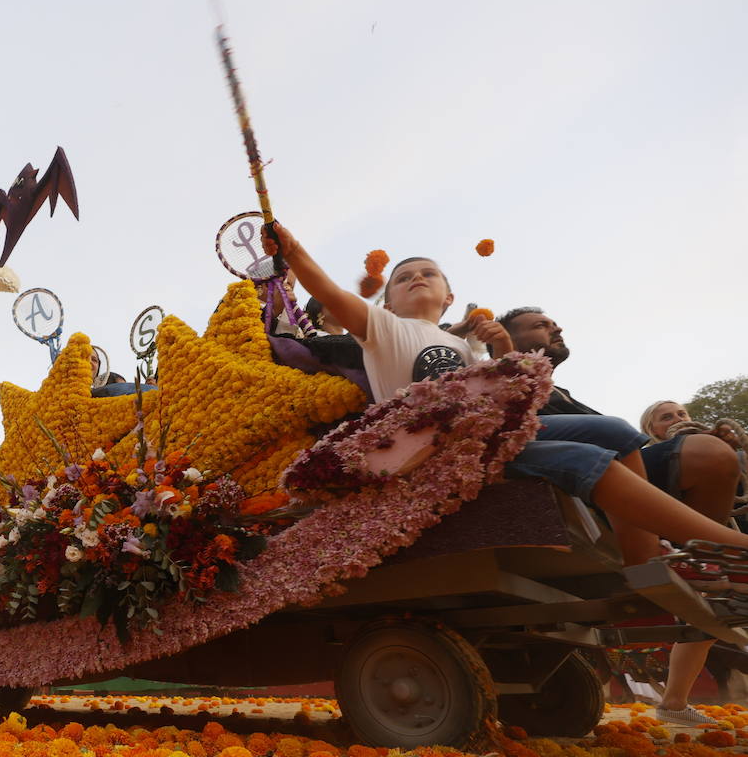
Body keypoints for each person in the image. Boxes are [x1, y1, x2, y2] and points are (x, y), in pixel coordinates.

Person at [260, 222, 748, 565]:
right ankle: (728, 545)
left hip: (496, 433)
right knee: (581, 459)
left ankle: (641, 558)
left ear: (449, 297)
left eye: (427, 273)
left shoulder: (460, 344)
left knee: (615, 431)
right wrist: (294, 250)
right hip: (437, 452)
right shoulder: (383, 329)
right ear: (387, 300)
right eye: (403, 278)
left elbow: (517, 401)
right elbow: (325, 290)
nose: (416, 280)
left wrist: (505, 348)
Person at [496, 311, 745, 724]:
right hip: (574, 475)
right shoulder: (494, 376)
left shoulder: (571, 396)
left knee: (713, 456)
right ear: (505, 336)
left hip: (622, 472)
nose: (555, 327)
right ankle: (678, 558)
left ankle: (704, 564)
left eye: (555, 322)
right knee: (619, 436)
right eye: (540, 323)